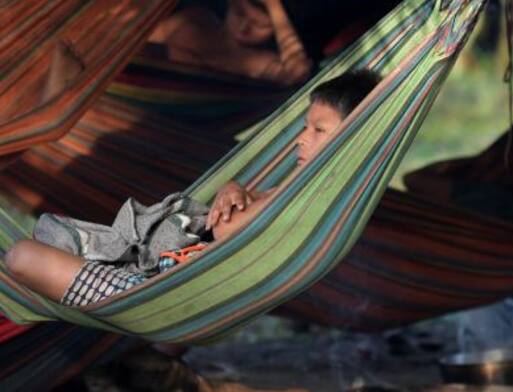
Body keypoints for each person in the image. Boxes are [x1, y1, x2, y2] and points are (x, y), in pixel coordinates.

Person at [2, 70, 381, 307]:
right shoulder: (297, 186)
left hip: (157, 291)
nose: (301, 140)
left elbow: (233, 231)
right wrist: (235, 187)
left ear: (351, 139)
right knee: (48, 231)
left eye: (318, 130)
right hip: (159, 275)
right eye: (304, 127)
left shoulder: (315, 195)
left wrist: (241, 203)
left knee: (20, 257)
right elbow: (248, 216)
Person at [147, 0, 313, 85]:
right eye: (239, 12)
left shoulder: (263, 64)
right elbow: (137, 47)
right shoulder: (195, 19)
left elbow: (298, 71)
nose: (244, 28)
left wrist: (273, 1)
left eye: (260, 25)